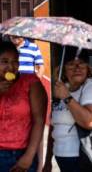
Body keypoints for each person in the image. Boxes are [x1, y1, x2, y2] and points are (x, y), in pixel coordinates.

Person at [43, 48, 92, 172]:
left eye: (81, 63)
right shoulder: (62, 88)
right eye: (71, 64)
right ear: (64, 69)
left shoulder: (91, 88)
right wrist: (47, 161)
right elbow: (54, 126)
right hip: (62, 157)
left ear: (87, 67)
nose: (77, 68)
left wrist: (67, 97)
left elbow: (90, 122)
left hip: (83, 159)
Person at [0, 41, 48, 172]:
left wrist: (29, 156)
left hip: (22, 155)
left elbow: (39, 121)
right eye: (4, 61)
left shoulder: (31, 83)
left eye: (15, 61)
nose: (11, 67)